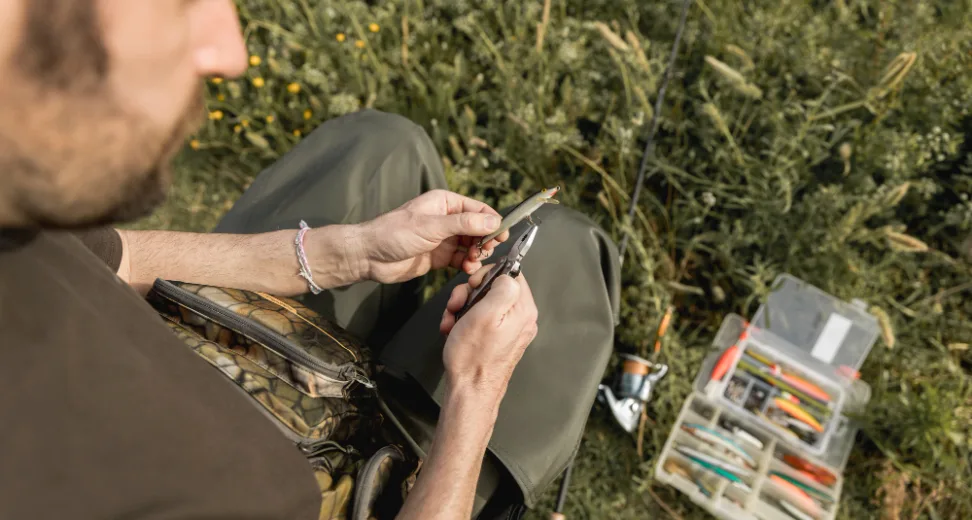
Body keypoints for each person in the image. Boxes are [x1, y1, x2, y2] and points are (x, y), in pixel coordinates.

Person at [0, 1, 621, 519]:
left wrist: (350, 251)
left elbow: (119, 257)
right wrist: (478, 391)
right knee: (567, 254)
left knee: (383, 146)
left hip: (230, 337)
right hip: (384, 486)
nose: (230, 52)